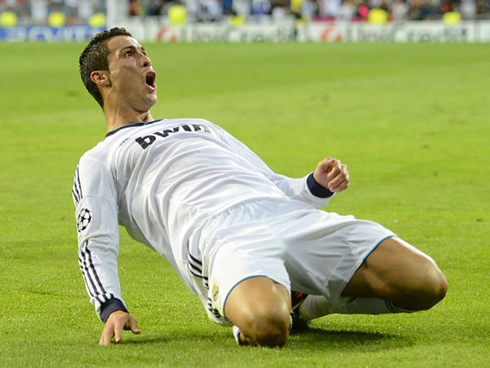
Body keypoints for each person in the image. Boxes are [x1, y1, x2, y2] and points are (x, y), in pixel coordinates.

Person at [74, 27, 448, 348]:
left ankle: (311, 302)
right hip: (220, 238)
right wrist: (111, 305)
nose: (144, 58)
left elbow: (270, 183)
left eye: (144, 52)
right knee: (269, 328)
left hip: (287, 215)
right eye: (129, 54)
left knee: (426, 285)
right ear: (101, 78)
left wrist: (314, 185)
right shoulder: (101, 157)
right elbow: (95, 240)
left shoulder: (201, 125)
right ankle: (279, 307)